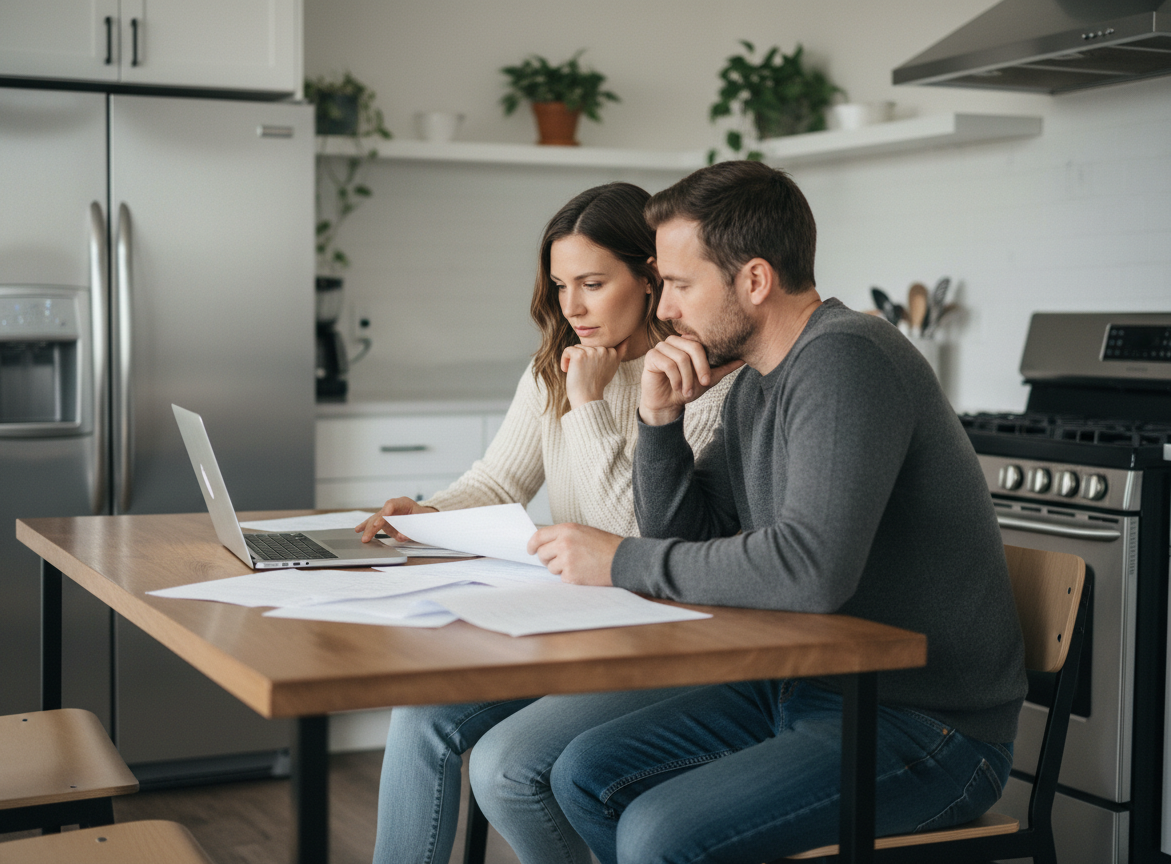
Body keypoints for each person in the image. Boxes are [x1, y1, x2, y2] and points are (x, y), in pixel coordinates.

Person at [520, 161, 1028, 864]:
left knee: (657, 832)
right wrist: (660, 421)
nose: (664, 307)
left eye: (679, 284)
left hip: (924, 725)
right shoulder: (760, 381)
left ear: (754, 280)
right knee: (583, 775)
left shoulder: (846, 361)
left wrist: (618, 560)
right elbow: (689, 538)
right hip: (805, 688)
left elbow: (809, 569)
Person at [357, 182, 740, 864]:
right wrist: (427, 511)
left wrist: (592, 404)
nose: (571, 306)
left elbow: (643, 536)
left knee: (505, 767)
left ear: (650, 278)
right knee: (420, 716)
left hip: (661, 636)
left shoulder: (700, 383)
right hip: (573, 621)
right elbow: (499, 481)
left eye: (592, 283)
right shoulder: (553, 370)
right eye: (561, 284)